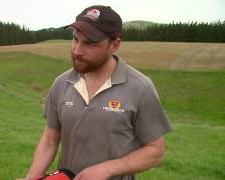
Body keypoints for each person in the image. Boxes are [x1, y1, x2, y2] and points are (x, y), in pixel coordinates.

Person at [26, 5, 172, 180]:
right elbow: (50, 138)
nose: (77, 51)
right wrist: (31, 178)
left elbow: (155, 151)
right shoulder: (61, 83)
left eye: (90, 43)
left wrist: (108, 169)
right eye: (75, 40)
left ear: (114, 45)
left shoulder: (140, 87)